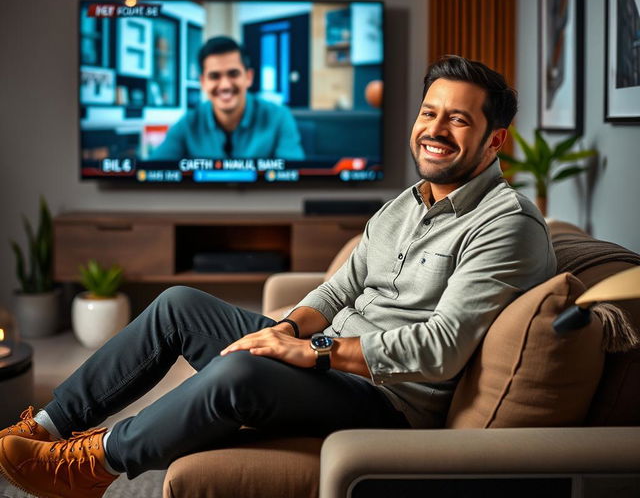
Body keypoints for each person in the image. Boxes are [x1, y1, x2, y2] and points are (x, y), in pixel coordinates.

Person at [0, 56, 556, 498]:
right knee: (178, 303)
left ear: (494, 140)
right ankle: (48, 426)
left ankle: (91, 468)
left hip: (391, 401)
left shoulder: (506, 226)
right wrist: (287, 330)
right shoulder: (404, 205)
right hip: (334, 365)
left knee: (239, 371)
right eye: (429, 112)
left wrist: (313, 351)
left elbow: (443, 349)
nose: (435, 129)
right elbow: (340, 288)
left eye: (458, 118)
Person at [150, 36, 305, 160]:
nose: (224, 85)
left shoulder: (279, 117)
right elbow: (153, 174)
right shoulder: (188, 124)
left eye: (233, 74)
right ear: (203, 82)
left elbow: (295, 178)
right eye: (214, 76)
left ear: (249, 77)